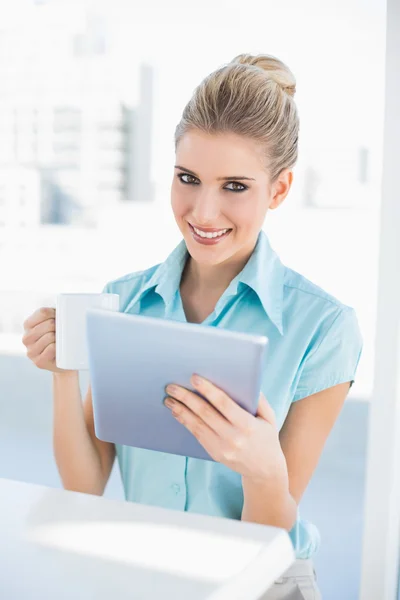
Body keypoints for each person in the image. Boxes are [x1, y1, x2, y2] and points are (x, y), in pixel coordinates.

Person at [22, 53, 363, 599]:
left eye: (235, 186)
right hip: (146, 576)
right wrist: (64, 372)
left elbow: (272, 530)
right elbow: (84, 485)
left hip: (265, 582)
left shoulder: (323, 327)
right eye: (189, 179)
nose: (203, 212)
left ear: (277, 190)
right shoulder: (125, 301)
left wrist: (261, 466)